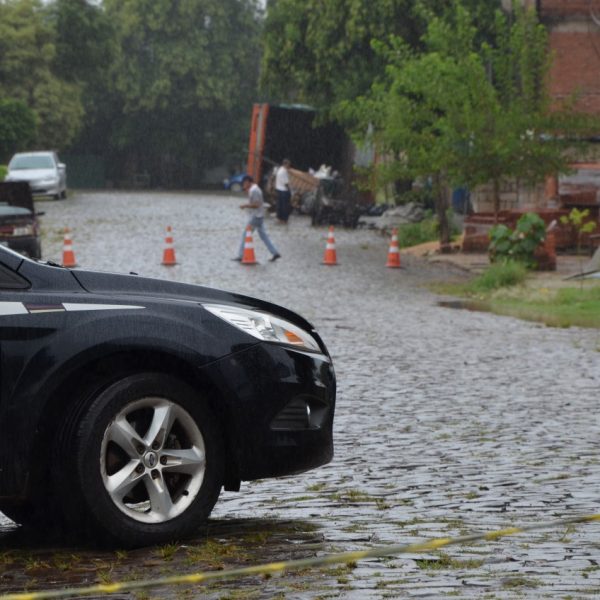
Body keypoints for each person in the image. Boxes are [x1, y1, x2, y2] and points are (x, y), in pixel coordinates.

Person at [233, 175, 281, 262]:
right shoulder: (255, 189)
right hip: (259, 216)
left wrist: (245, 205)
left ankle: (240, 255)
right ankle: (275, 253)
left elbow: (257, 204)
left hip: (256, 217)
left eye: (244, 183)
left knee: (246, 234)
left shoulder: (254, 190)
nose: (243, 185)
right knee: (264, 236)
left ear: (248, 182)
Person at [274, 158, 292, 224]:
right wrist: (290, 191)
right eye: (288, 164)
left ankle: (279, 218)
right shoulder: (284, 171)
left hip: (278, 190)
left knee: (279, 205)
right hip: (284, 191)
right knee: (285, 207)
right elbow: (286, 183)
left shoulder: (279, 170)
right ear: (285, 164)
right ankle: (284, 220)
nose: (289, 166)